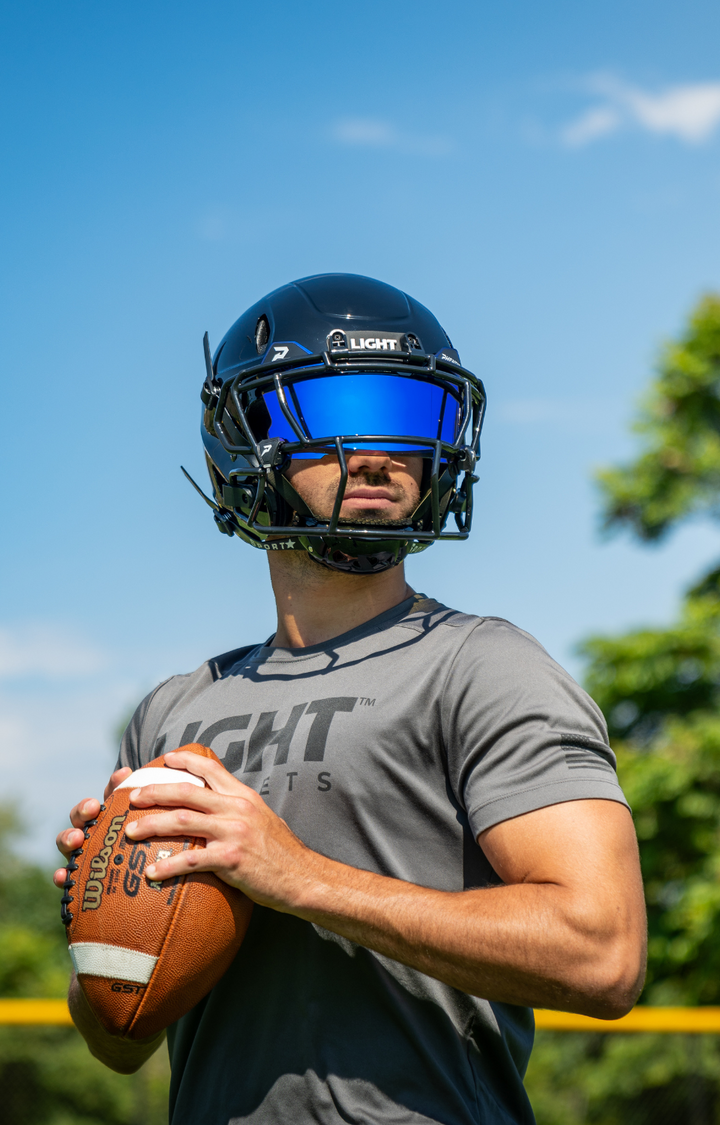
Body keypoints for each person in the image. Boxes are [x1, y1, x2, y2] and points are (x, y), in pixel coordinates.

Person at [54, 273, 646, 1125]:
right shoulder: (172, 711)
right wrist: (99, 922)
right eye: (335, 415)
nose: (378, 452)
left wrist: (299, 877)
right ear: (247, 439)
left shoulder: (484, 666)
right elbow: (118, 1045)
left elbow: (604, 954)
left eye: (413, 418)